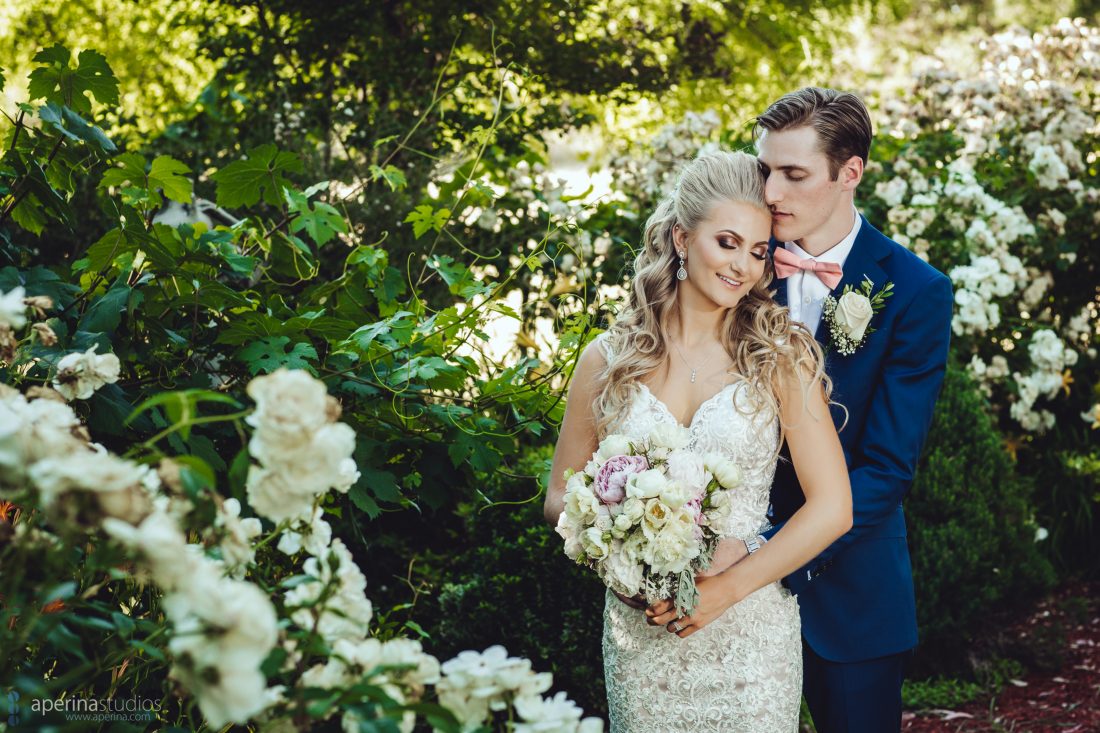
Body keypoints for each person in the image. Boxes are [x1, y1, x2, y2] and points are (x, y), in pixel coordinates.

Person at [543, 149, 853, 732]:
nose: (743, 267)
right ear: (683, 240)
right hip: (643, 638)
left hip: (750, 637)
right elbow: (560, 495)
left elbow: (834, 508)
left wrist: (728, 589)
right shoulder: (607, 360)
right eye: (728, 243)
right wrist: (619, 554)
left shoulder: (778, 358)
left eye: (759, 252)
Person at [752, 87, 954, 732]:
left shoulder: (917, 291)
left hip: (851, 591)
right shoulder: (738, 268)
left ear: (850, 173)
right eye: (764, 171)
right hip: (724, 587)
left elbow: (889, 469)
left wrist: (767, 554)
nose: (771, 194)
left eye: (793, 174)